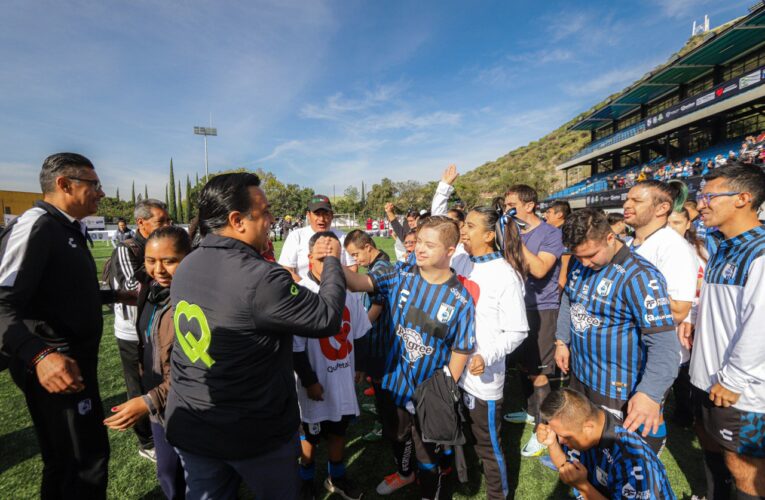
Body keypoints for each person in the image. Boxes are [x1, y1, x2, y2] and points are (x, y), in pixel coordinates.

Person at [163, 173, 348, 499]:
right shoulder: (262, 278)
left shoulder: (188, 264)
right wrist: (332, 261)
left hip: (193, 422)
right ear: (237, 220)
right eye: (264, 212)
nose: (272, 220)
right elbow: (328, 317)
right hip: (251, 431)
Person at [0, 153, 124, 499]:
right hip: (54, 367)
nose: (101, 192)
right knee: (78, 463)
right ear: (64, 184)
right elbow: (2, 302)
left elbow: (60, 290)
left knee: (83, 455)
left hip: (76, 364)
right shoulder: (35, 224)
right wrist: (39, 356)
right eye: (93, 184)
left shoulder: (66, 226)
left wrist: (114, 296)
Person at [342, 216, 476, 499]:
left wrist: (445, 389)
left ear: (451, 250)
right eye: (419, 242)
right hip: (395, 383)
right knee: (397, 435)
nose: (420, 249)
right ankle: (405, 473)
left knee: (428, 453)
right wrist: (331, 263)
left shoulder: (461, 299)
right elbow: (357, 282)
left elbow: (461, 348)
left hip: (431, 393)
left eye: (430, 244)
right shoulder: (399, 274)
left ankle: (431, 490)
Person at [555, 208, 680, 455]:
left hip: (618, 389)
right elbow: (570, 300)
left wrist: (650, 394)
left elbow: (664, 345)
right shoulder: (580, 265)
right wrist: (562, 340)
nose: (584, 263)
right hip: (582, 377)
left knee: (621, 461)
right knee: (587, 451)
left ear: (610, 238)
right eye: (577, 256)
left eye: (590, 255)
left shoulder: (640, 277)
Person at [690, 164, 765, 499]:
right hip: (707, 377)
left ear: (743, 199)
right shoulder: (722, 244)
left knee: (744, 469)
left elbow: (760, 325)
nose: (701, 203)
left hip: (740, 388)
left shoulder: (759, 252)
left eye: (709, 196)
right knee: (713, 447)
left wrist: (733, 379)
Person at [103, 225, 192, 499]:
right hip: (159, 410)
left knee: (200, 478)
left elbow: (192, 373)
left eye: (169, 261)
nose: (159, 270)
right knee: (167, 472)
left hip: (190, 408)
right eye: (151, 261)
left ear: (188, 258)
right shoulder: (151, 290)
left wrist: (148, 401)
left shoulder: (195, 303)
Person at [451, 202, 529, 499]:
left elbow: (518, 330)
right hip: (456, 369)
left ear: (488, 235)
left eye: (470, 226)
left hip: (483, 378)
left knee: (488, 444)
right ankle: (463, 475)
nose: (463, 231)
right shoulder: (461, 261)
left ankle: (498, 494)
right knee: (463, 433)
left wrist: (487, 355)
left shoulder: (505, 275)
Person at [294, 231, 371, 500]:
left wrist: (360, 365)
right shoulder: (300, 295)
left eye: (333, 259)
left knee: (339, 430)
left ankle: (336, 477)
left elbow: (360, 332)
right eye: (321, 258)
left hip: (341, 380)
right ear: (308, 260)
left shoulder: (348, 294)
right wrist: (309, 381)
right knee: (310, 436)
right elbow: (296, 348)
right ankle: (305, 479)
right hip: (314, 383)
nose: (327, 265)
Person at [502, 184, 564, 457]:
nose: (507, 210)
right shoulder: (508, 232)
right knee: (525, 366)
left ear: (529, 205)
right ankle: (531, 413)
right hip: (515, 306)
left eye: (512, 204)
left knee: (539, 373)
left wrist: (514, 238)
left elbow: (539, 269)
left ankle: (544, 430)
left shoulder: (551, 233)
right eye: (505, 205)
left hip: (542, 308)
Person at [109, 198, 170, 461]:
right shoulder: (127, 248)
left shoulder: (157, 243)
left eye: (168, 220)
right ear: (141, 223)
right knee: (138, 384)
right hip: (131, 331)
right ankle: (146, 441)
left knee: (160, 379)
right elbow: (136, 287)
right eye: (161, 221)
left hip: (154, 327)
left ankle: (162, 430)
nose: (166, 225)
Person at [536, 389, 676, 500]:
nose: (562, 441)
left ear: (588, 428)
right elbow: (566, 467)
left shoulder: (631, 462)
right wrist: (552, 443)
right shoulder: (588, 422)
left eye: (564, 437)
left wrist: (583, 486)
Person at [343, 229, 397, 444]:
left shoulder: (381, 268)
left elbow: (377, 306)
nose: (355, 260)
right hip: (378, 338)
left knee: (382, 387)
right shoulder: (378, 264)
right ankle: (384, 419)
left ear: (368, 247)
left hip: (380, 341)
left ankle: (385, 426)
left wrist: (358, 329)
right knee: (377, 385)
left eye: (356, 255)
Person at [666, 207, 708, 428]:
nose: (672, 228)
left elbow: (701, 288)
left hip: (690, 320)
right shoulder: (659, 248)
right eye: (668, 223)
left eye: (677, 223)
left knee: (684, 367)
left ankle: (684, 410)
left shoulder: (697, 251)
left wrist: (691, 316)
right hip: (666, 318)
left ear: (687, 224)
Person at [278, 194, 356, 279]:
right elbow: (286, 269)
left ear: (332, 215)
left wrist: (335, 288)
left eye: (325, 214)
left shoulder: (344, 237)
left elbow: (352, 268)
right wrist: (306, 290)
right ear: (308, 215)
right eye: (317, 214)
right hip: (304, 290)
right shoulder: (296, 237)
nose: (321, 218)